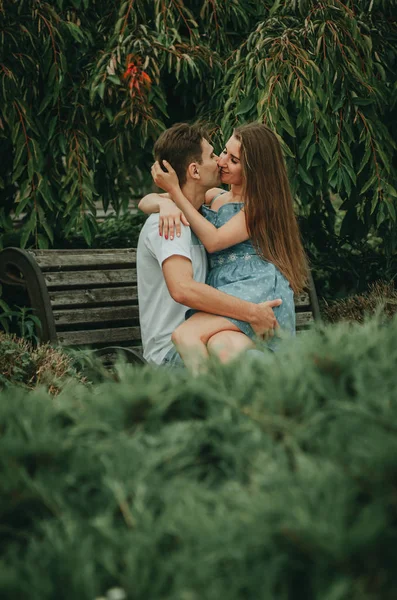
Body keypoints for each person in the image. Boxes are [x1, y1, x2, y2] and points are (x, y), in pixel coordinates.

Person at [146, 122, 308, 371]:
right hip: (226, 287)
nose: (222, 161)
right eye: (223, 152)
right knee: (219, 344)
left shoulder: (258, 206)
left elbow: (214, 241)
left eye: (233, 160)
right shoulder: (217, 196)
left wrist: (174, 194)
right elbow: (145, 201)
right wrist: (165, 204)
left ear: (254, 170)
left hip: (254, 285)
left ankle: (211, 401)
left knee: (186, 336)